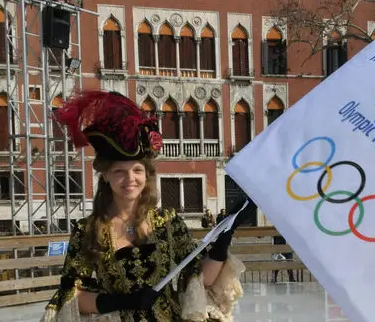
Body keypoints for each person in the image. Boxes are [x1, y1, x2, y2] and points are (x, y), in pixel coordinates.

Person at [41, 91, 250, 322]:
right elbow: (72, 295)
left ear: (146, 175)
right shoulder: (88, 230)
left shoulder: (167, 223)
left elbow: (202, 279)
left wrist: (224, 236)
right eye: (119, 171)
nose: (130, 179)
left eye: (137, 170)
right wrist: (123, 301)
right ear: (106, 176)